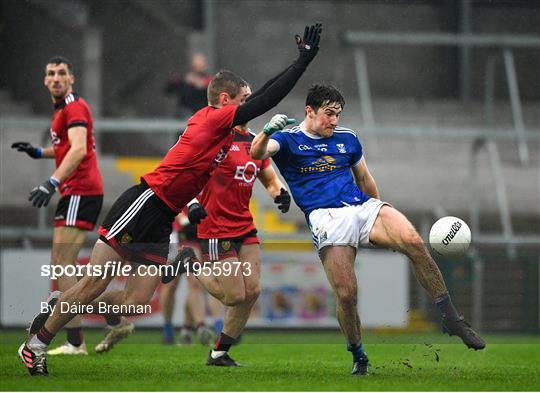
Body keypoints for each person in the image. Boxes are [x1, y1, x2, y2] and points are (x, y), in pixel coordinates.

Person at [18, 23, 322, 376]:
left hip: (163, 217)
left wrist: (299, 62)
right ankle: (36, 343)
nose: (248, 108)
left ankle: (60, 305)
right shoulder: (212, 120)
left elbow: (261, 99)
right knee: (95, 282)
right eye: (243, 100)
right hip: (145, 202)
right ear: (226, 101)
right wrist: (301, 63)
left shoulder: (226, 134)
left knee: (134, 302)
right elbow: (266, 99)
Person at [249, 84, 486, 376]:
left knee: (413, 241)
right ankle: (358, 354)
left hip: (361, 207)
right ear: (309, 111)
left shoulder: (347, 138)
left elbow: (365, 179)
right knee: (347, 295)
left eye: (338, 114)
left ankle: (451, 317)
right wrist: (268, 130)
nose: (334, 121)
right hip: (326, 218)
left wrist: (379, 216)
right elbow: (257, 151)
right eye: (329, 114)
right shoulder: (287, 139)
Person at [12, 56, 104, 356]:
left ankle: (82, 337)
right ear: (44, 80)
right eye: (50, 73)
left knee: (63, 264)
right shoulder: (64, 110)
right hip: (78, 191)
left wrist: (50, 183)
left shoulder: (74, 107)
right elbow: (68, 147)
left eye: (62, 73)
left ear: (72, 79)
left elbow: (78, 150)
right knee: (62, 265)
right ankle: (90, 331)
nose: (55, 78)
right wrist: (39, 152)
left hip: (80, 190)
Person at [184, 122, 291, 366]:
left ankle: (219, 353)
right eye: (244, 99)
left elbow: (270, 179)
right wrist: (192, 203)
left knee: (252, 291)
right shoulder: (213, 137)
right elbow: (186, 174)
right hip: (216, 227)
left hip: (244, 226)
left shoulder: (255, 142)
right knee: (233, 297)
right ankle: (190, 264)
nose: (249, 104)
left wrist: (279, 193)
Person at [159, 212, 222, 345]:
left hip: (201, 233)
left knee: (195, 282)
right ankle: (168, 326)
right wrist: (183, 220)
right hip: (178, 233)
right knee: (170, 285)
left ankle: (195, 328)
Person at [164, 53, 212, 117]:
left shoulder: (210, 82)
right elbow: (168, 91)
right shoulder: (183, 80)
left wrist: (202, 86)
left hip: (202, 115)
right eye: (196, 64)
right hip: (185, 115)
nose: (198, 67)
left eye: (200, 64)